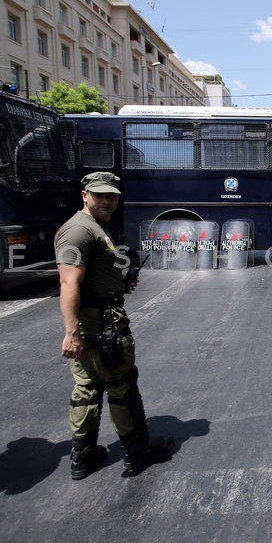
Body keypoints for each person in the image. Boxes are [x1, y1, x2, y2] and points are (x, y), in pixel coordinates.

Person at [54, 172, 174, 480]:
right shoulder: (77, 231)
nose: (106, 200)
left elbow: (91, 275)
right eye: (99, 195)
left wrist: (119, 283)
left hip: (96, 317)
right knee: (121, 385)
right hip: (100, 323)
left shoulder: (94, 228)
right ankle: (137, 451)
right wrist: (71, 332)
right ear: (84, 195)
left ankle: (84, 456)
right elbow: (68, 283)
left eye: (111, 195)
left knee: (88, 386)